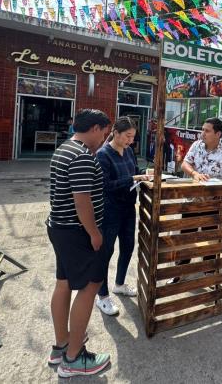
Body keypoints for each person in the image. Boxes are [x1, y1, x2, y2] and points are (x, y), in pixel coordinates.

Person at [46, 109, 112, 377]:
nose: (104, 140)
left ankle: (62, 344)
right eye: (105, 134)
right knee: (90, 285)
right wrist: (94, 233)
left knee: (63, 283)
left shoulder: (64, 149)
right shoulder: (82, 156)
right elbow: (82, 200)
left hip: (60, 227)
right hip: (77, 232)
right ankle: (73, 358)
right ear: (95, 128)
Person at [169, 118, 222, 284]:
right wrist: (194, 174)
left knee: (210, 236)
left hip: (212, 204)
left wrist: (220, 190)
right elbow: (185, 163)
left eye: (207, 131)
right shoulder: (197, 145)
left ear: (218, 134)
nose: (202, 134)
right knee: (186, 236)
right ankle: (180, 270)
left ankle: (209, 271)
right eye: (203, 129)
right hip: (191, 201)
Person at [94, 117, 150, 316]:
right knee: (105, 252)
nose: (130, 141)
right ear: (116, 133)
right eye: (127, 136)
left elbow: (135, 172)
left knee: (128, 247)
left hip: (128, 208)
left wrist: (145, 174)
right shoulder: (103, 155)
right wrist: (133, 178)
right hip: (110, 210)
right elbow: (105, 185)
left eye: (133, 137)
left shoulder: (128, 151)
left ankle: (119, 284)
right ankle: (102, 296)